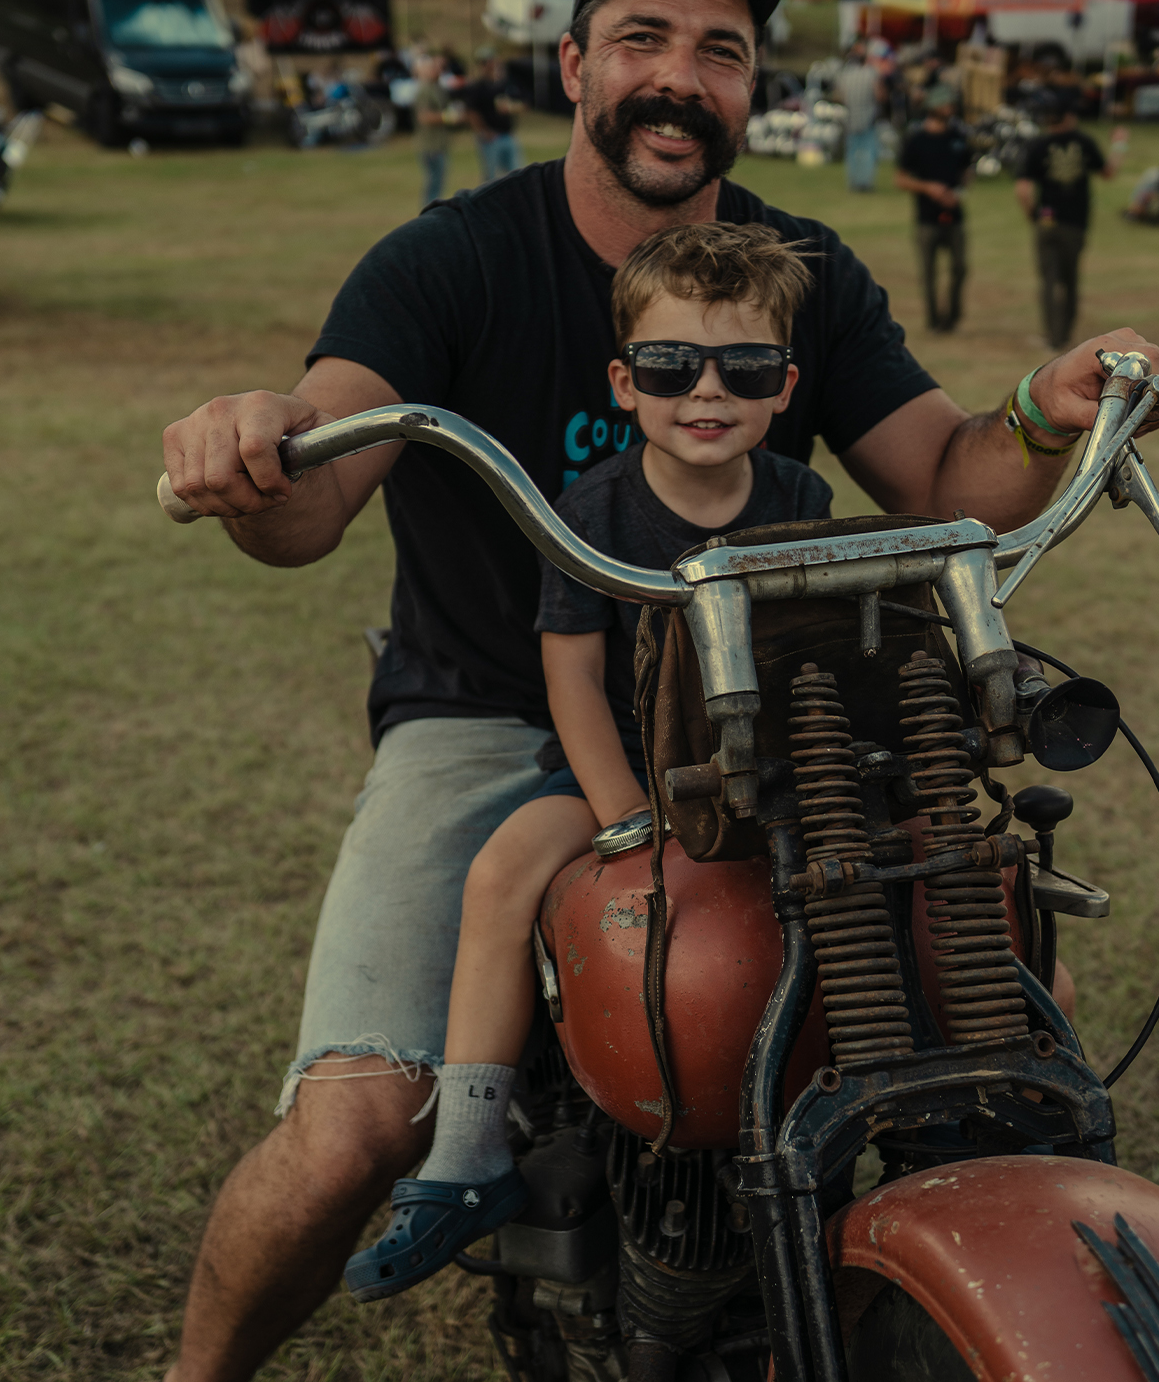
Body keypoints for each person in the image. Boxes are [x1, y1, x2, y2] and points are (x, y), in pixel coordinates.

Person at [83, 0, 1159, 1382]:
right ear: (577, 62)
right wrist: (253, 447)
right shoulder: (453, 255)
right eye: (645, 40)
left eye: (721, 51)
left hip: (763, 715)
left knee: (941, 966)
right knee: (358, 1120)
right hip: (490, 716)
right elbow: (314, 486)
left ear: (751, 91)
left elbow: (938, 480)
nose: (680, 78)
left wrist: (1043, 406)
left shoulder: (791, 274)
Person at [348, 222, 828, 1290]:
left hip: (770, 780)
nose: (706, 391)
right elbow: (570, 677)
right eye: (670, 365)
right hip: (626, 780)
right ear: (623, 380)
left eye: (742, 366)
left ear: (783, 384)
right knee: (505, 863)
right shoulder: (592, 510)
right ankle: (469, 1151)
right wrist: (625, 817)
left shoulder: (801, 501)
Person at [1015, 90, 1108, 348]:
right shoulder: (1084, 142)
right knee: (1070, 281)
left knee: (1048, 280)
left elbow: (1022, 190)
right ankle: (1066, 335)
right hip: (1075, 222)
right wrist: (1120, 144)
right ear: (1069, 117)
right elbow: (1108, 172)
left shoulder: (1037, 145)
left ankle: (1051, 336)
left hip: (1047, 221)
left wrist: (1033, 215)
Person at [896, 85, 971, 334]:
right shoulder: (917, 141)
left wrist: (957, 194)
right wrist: (929, 188)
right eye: (946, 104)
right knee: (929, 273)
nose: (951, 108)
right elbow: (900, 179)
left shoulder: (958, 138)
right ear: (933, 108)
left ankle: (952, 317)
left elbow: (966, 173)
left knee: (960, 268)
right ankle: (933, 320)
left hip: (955, 216)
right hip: (926, 218)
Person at [461, 46, 522, 184]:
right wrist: (484, 131)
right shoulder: (477, 87)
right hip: (491, 137)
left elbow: (521, 103)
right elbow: (471, 112)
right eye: (485, 62)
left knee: (516, 173)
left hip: (507, 134)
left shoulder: (504, 84)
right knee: (491, 176)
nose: (490, 65)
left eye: (491, 61)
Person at [836, 40, 886, 193]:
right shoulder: (871, 74)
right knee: (868, 151)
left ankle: (854, 181)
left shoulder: (844, 75)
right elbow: (879, 95)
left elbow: (840, 97)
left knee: (852, 152)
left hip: (851, 117)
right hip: (868, 116)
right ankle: (865, 182)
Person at [410, 47, 450, 209]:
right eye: (435, 67)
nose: (439, 71)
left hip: (440, 143)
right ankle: (429, 214)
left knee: (439, 181)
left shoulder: (438, 88)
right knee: (433, 182)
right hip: (430, 144)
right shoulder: (424, 90)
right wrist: (447, 117)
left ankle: (434, 212)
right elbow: (424, 116)